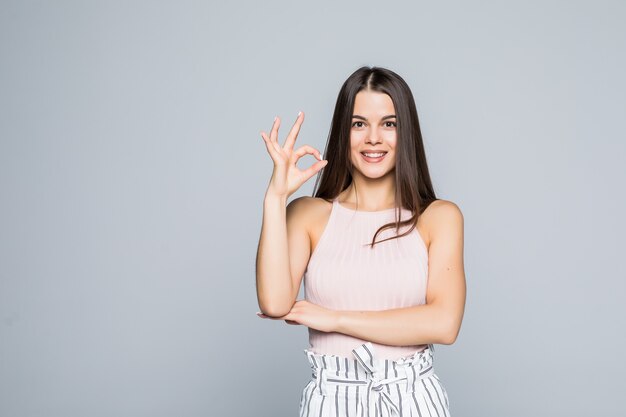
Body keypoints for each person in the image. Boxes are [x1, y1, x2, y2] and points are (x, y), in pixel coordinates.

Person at [255, 66, 466, 417]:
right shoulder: (308, 214)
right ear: (343, 132)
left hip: (412, 397)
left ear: (405, 133)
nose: (373, 138)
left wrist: (335, 319)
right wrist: (274, 199)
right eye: (358, 124)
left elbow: (444, 324)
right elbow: (275, 303)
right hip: (332, 398)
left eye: (388, 123)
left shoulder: (438, 217)